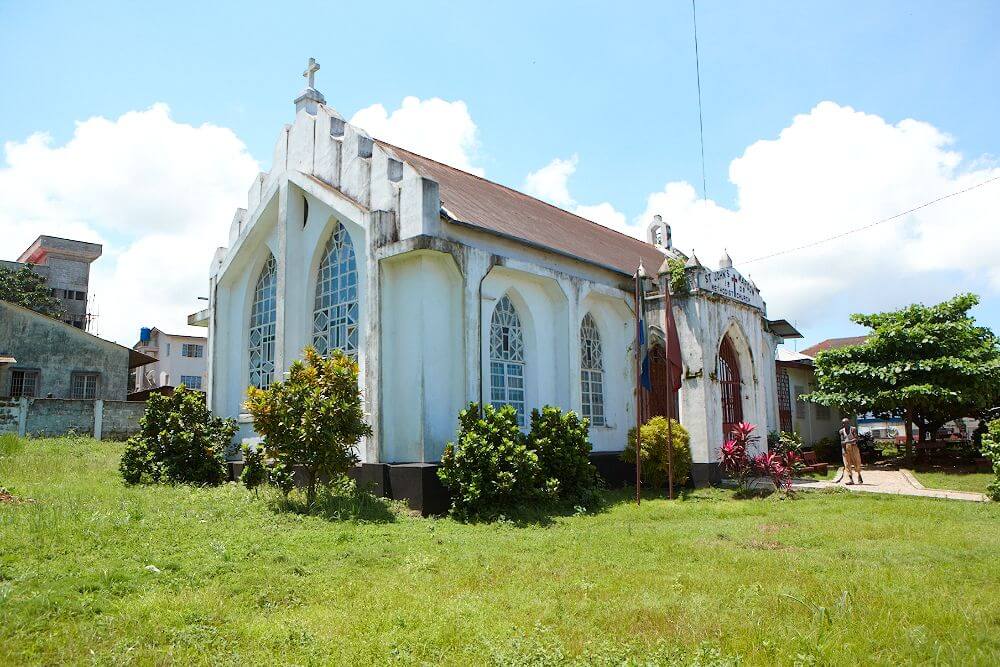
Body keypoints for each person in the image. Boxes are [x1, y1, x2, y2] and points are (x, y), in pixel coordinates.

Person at [839, 418, 864, 485]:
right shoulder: (841, 431)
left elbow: (856, 439)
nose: (845, 424)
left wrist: (847, 442)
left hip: (854, 447)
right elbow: (842, 442)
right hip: (846, 448)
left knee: (857, 462)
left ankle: (859, 475)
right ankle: (851, 479)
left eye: (846, 423)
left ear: (849, 423)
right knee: (847, 464)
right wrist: (844, 450)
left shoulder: (853, 429)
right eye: (843, 423)